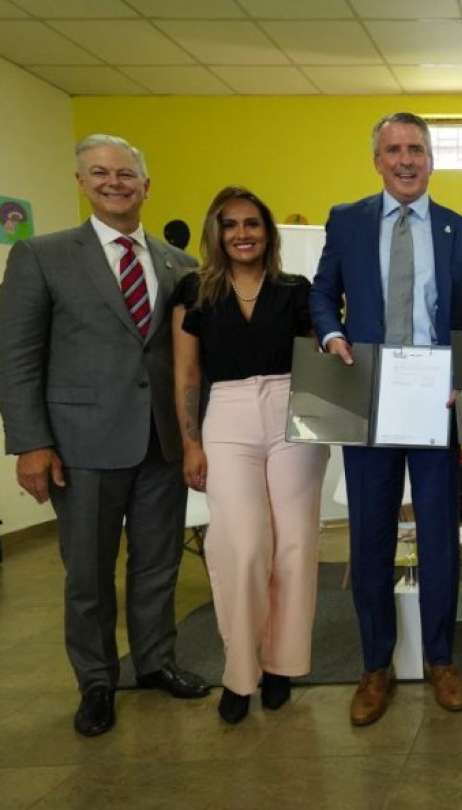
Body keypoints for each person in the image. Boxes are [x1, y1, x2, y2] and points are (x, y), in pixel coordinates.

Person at [0, 134, 209, 737]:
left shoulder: (179, 264)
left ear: (146, 186)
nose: (114, 182)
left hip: (161, 443)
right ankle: (96, 681)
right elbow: (17, 357)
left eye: (125, 174)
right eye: (100, 173)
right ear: (81, 183)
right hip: (80, 445)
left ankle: (155, 661)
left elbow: (189, 359)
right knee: (88, 574)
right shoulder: (41, 256)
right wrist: (30, 443)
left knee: (158, 564)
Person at [310, 112, 462, 725]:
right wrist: (331, 333)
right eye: (394, 150)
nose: (406, 160)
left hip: (436, 402)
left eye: (416, 149)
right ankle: (374, 666)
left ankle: (441, 659)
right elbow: (321, 293)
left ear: (431, 159)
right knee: (370, 535)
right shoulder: (347, 221)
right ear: (377, 160)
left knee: (439, 535)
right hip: (369, 397)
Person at [171, 186, 329, 724]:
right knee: (242, 546)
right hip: (228, 412)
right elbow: (186, 373)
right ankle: (240, 671)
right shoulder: (194, 290)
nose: (242, 234)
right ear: (216, 234)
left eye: (252, 223)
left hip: (292, 409)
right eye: (231, 224)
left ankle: (283, 665)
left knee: (295, 544)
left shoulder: (295, 289)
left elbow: (325, 353)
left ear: (268, 232)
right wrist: (191, 442)